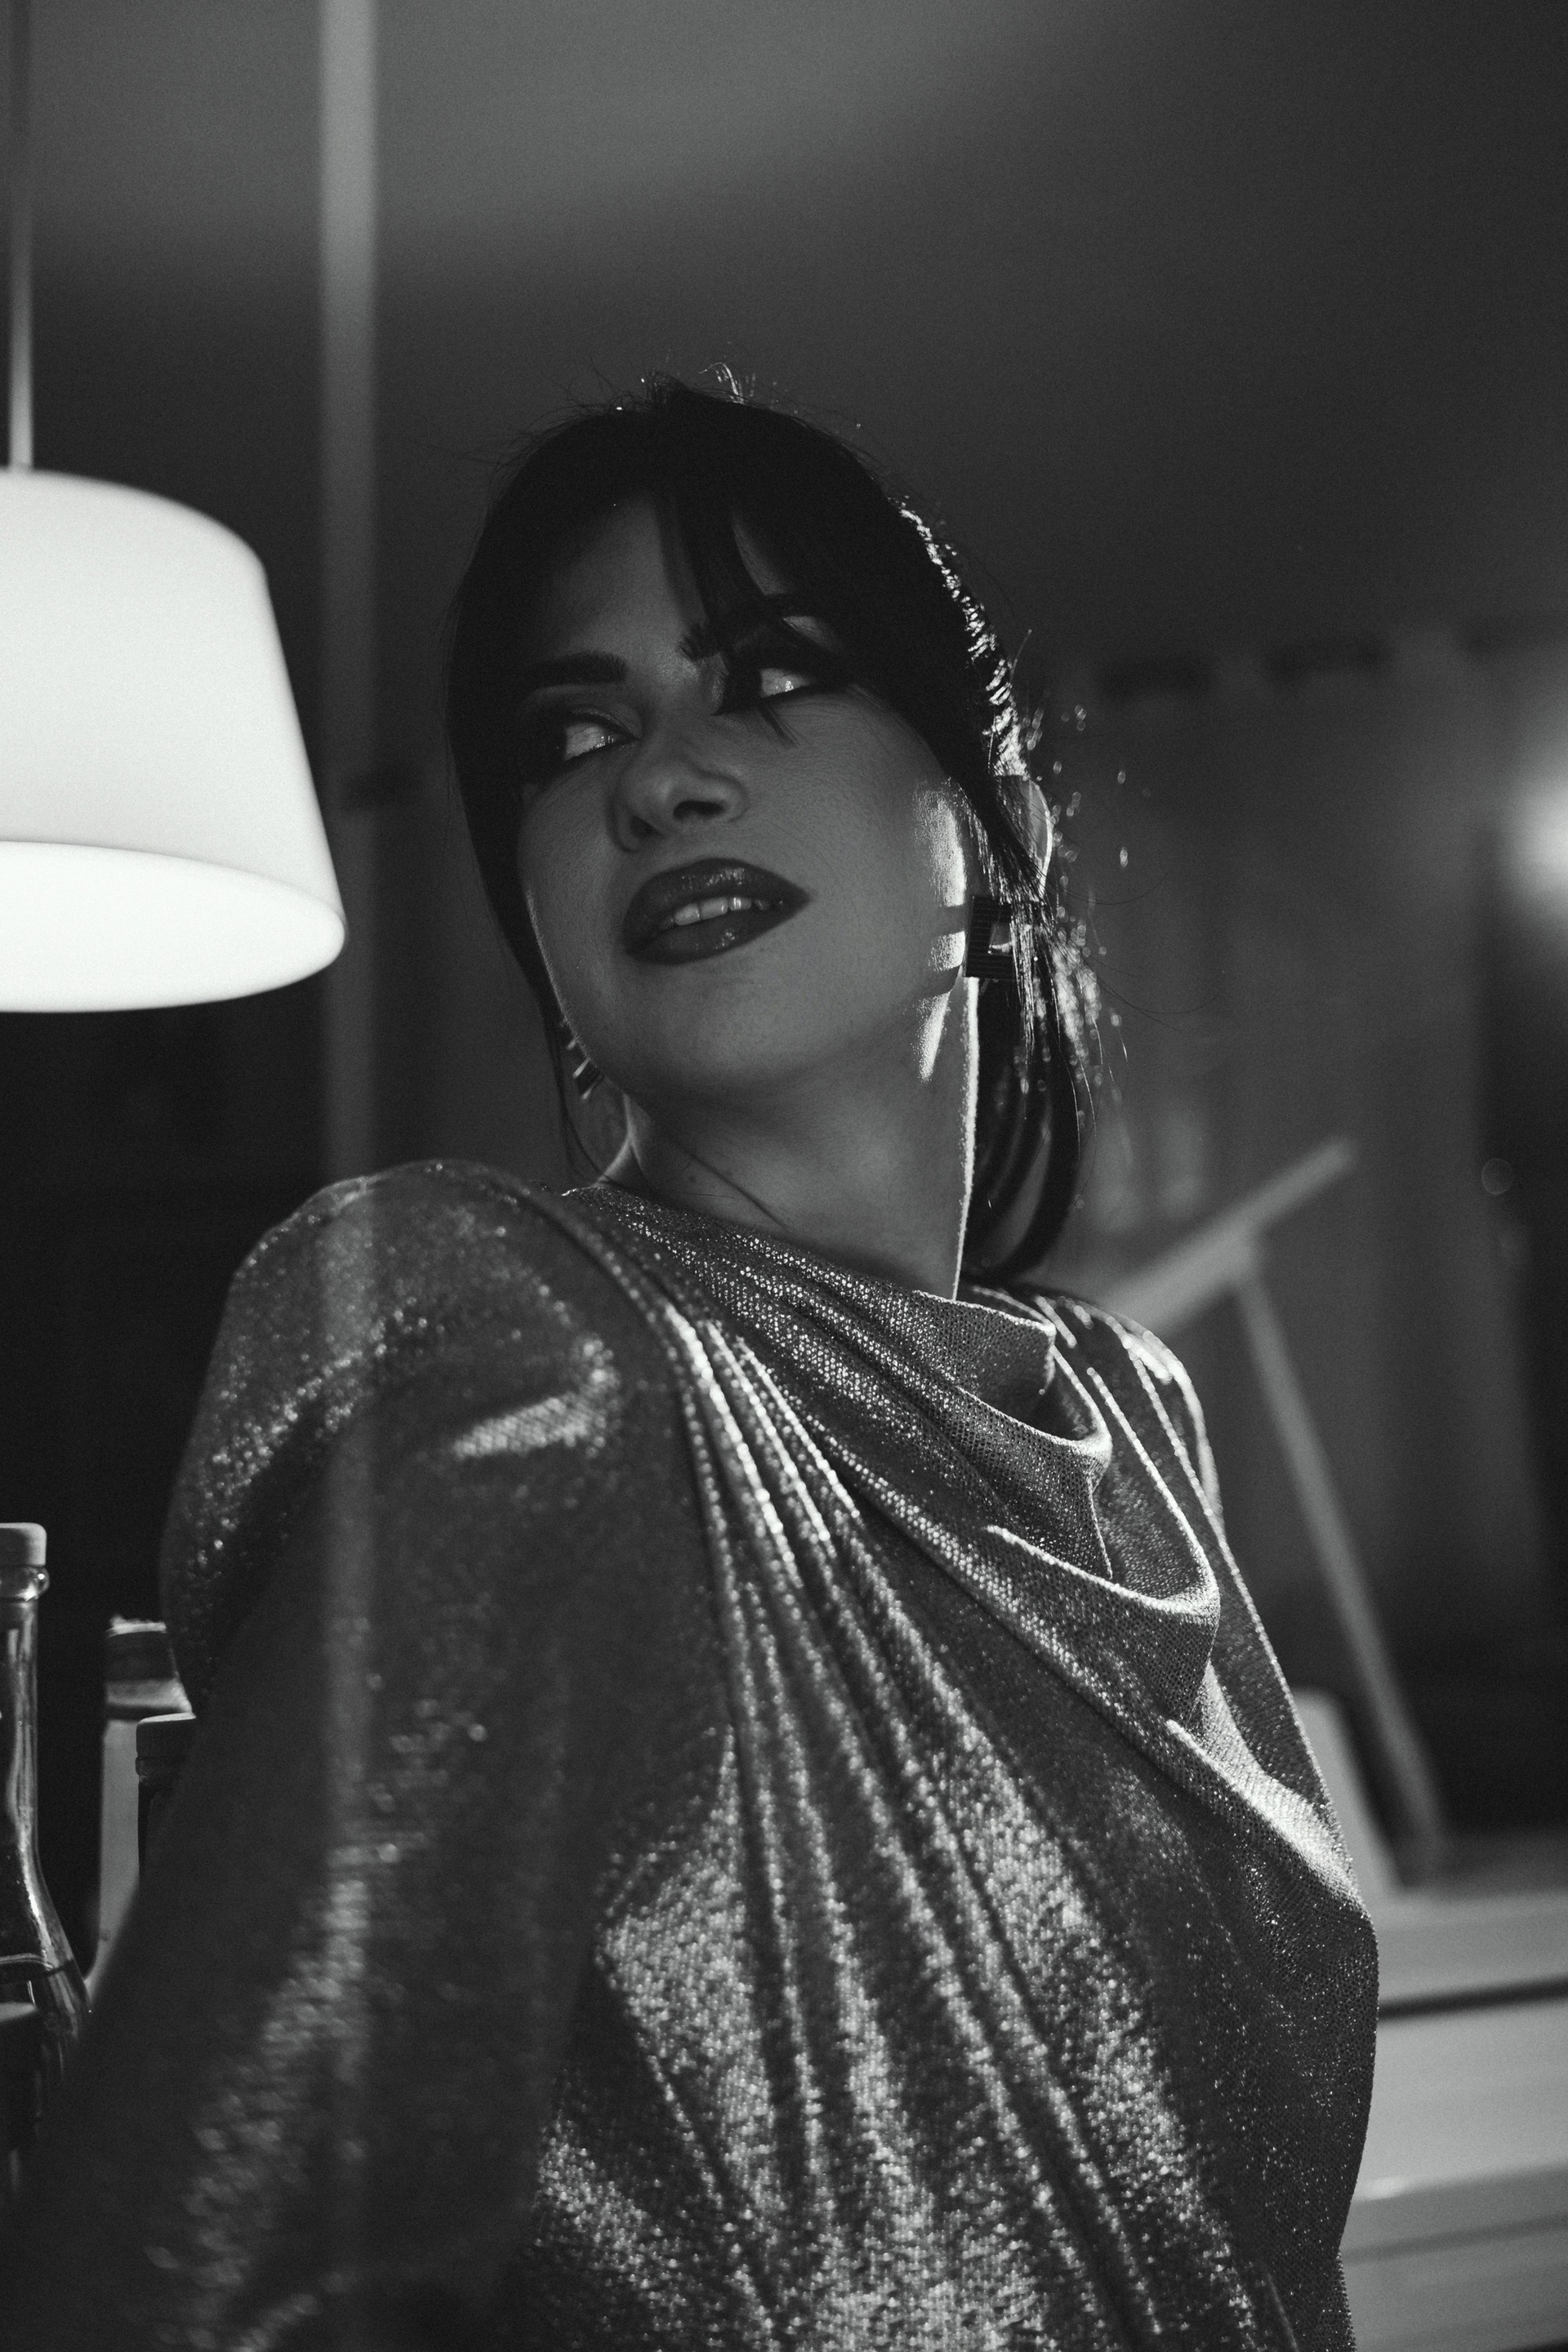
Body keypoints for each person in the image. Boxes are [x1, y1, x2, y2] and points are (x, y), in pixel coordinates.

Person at [0, 378, 1377, 2349]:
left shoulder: (1137, 1415)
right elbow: (178, 2283)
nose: (656, 779)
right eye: (574, 734)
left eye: (770, 674)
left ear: (998, 829)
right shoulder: (515, 1346)